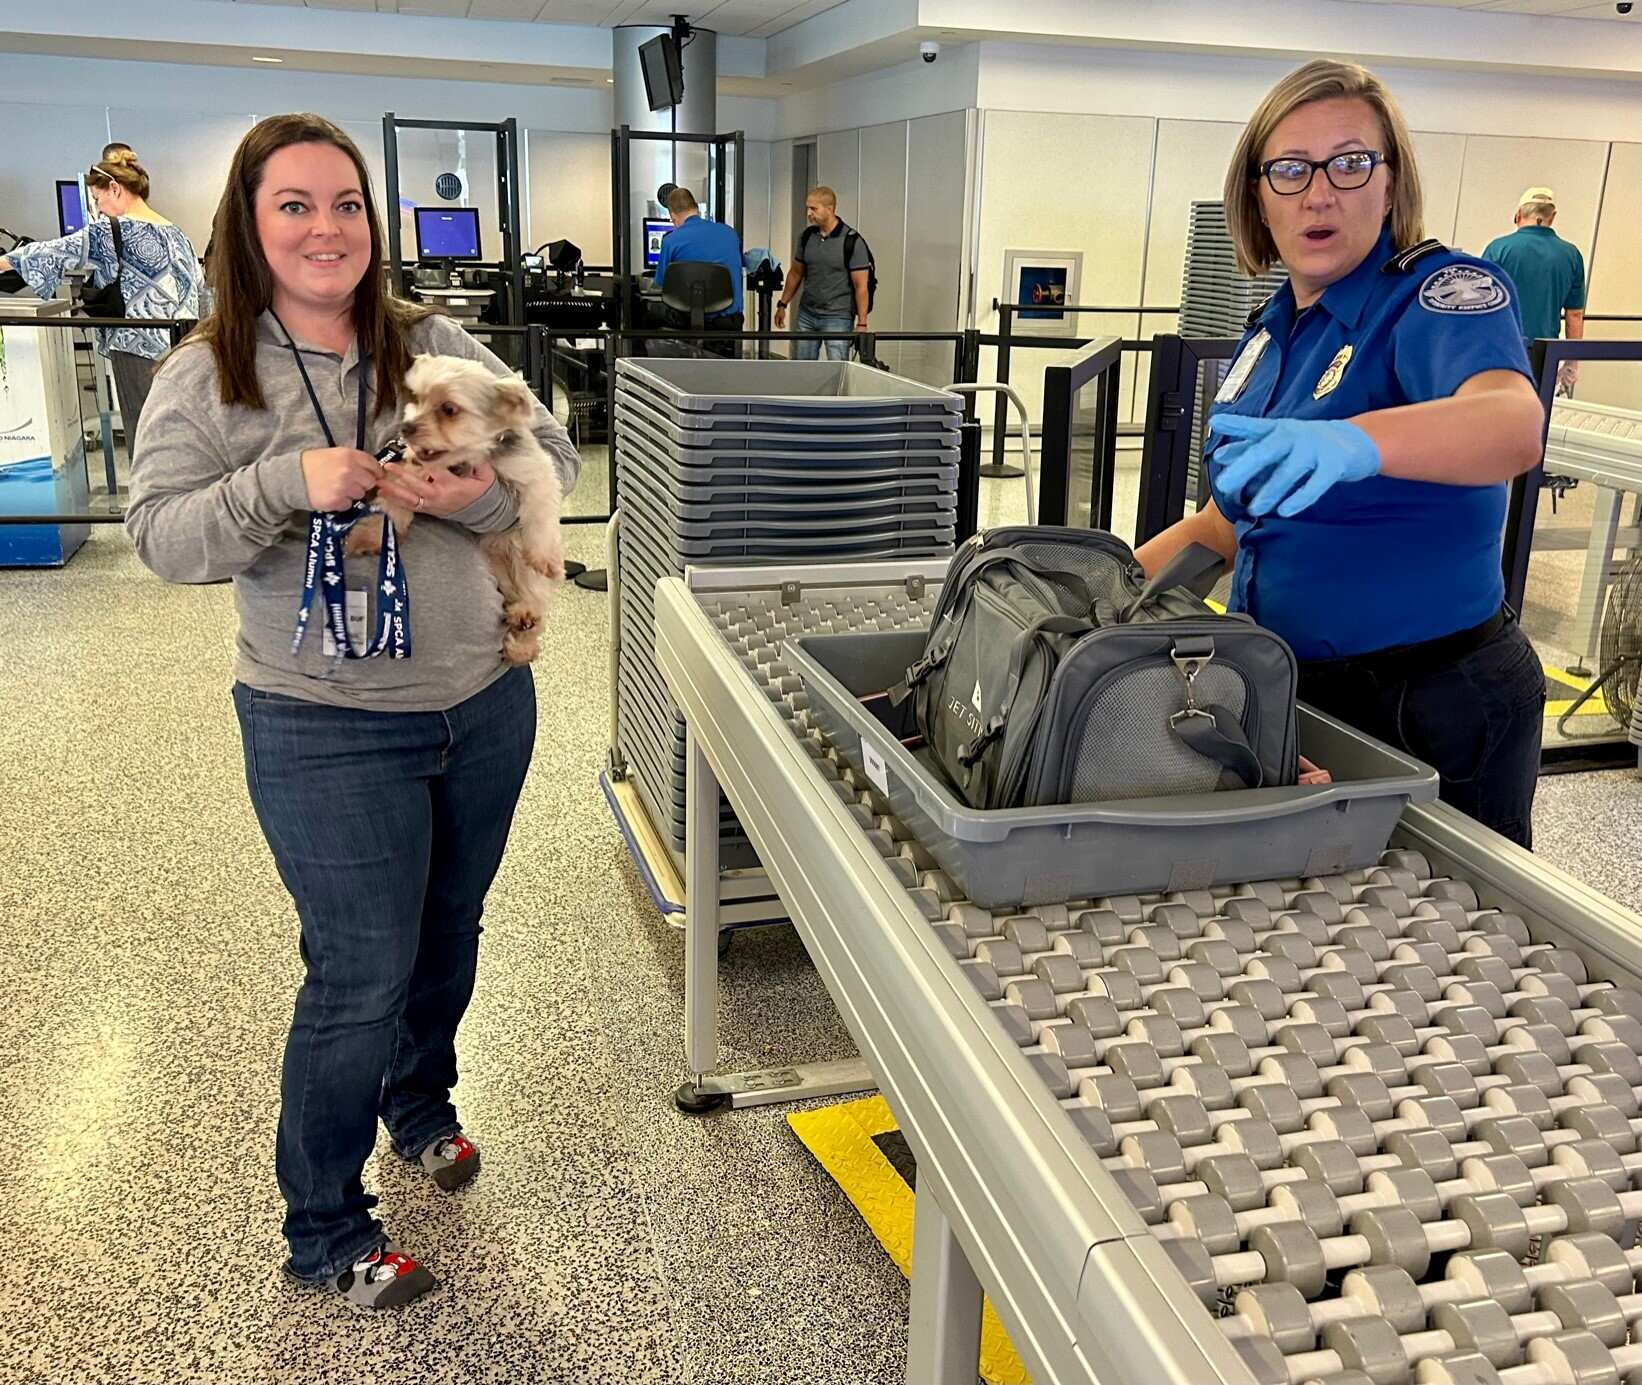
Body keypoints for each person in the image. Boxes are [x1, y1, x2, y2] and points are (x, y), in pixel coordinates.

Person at [125, 112, 580, 1310]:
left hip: (481, 700)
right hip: (322, 719)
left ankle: (419, 1100)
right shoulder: (205, 369)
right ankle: (325, 1227)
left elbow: (558, 464)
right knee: (357, 970)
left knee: (450, 928)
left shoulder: (431, 341)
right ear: (250, 220)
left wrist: (479, 501)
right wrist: (284, 482)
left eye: (346, 204)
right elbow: (159, 538)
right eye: (294, 204)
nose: (325, 228)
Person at [1135, 59, 1547, 847]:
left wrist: (1360, 441)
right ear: (1258, 194)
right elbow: (1228, 524)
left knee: (1443, 941)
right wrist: (1100, 596)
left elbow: (1509, 422)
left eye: (1350, 163)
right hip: (1293, 687)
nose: (1318, 192)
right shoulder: (1273, 330)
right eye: (1289, 170)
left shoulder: (1437, 295)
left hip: (1431, 701)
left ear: (1391, 184)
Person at [0, 147, 201, 449]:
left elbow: (50, 253)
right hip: (185, 350)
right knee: (182, 438)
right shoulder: (177, 233)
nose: (99, 208)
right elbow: (197, 285)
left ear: (115, 189)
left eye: (98, 199)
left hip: (138, 349)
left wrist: (4, 263)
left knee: (145, 439)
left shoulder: (110, 230)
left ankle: (151, 496)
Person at [1483, 187, 1586, 396]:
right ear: (1552, 217)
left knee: (1494, 414)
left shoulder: (1498, 249)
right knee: (1534, 415)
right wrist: (1571, 363)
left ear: (1518, 215)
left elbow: (1479, 305)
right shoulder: (1571, 255)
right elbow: (1574, 315)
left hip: (1499, 349)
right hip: (1544, 354)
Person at [774, 185, 870, 361]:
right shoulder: (807, 237)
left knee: (837, 369)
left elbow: (861, 286)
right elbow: (795, 273)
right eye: (808, 208)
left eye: (813, 208)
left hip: (838, 316)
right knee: (803, 369)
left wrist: (862, 323)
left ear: (829, 209)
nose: (809, 213)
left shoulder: (852, 241)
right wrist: (782, 304)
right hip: (807, 314)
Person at [650, 185, 744, 356]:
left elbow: (662, 285)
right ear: (697, 209)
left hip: (686, 323)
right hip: (728, 326)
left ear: (672, 216)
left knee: (645, 312)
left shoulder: (671, 241)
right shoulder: (730, 234)